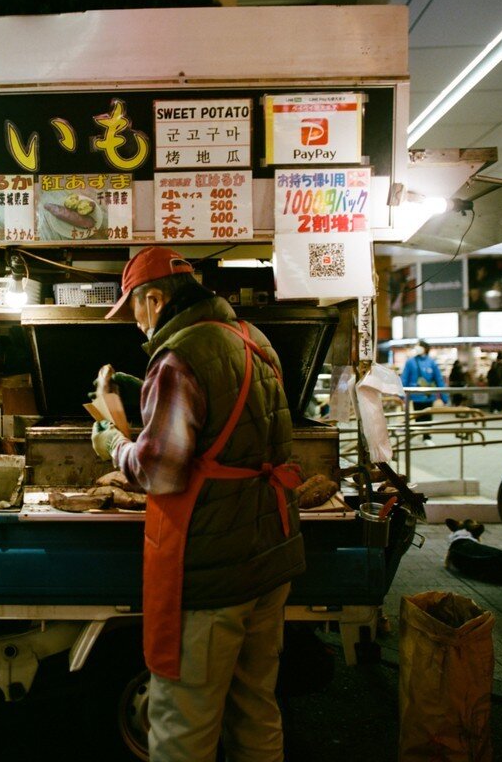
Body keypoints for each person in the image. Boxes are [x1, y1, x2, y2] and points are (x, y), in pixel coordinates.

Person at [89, 246, 303, 762]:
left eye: (135, 310)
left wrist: (111, 443)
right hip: (271, 554)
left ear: (156, 299)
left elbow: (158, 472)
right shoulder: (252, 339)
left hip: (215, 569)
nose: (136, 324)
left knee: (183, 721)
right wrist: (145, 390)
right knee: (255, 708)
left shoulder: (179, 356)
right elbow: (228, 420)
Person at [400, 341, 448, 443]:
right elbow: (404, 378)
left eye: (420, 346)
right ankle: (419, 433)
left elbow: (439, 379)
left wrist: (445, 397)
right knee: (418, 415)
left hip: (428, 395)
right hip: (415, 395)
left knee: (427, 415)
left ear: (425, 348)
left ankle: (427, 436)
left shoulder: (432, 362)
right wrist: (402, 394)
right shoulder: (410, 362)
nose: (417, 348)